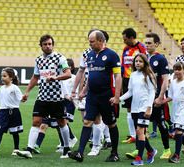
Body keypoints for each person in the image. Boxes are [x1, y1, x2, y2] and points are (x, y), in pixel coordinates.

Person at [68, 30, 122, 162]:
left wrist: (116, 97)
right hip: (92, 96)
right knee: (87, 121)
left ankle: (114, 153)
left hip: (106, 95)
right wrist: (84, 91)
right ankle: (80, 153)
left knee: (111, 124)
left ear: (100, 41)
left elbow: (118, 76)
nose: (90, 44)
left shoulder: (112, 55)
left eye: (92, 41)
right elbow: (91, 76)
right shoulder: (90, 55)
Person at [16, 34, 71, 158]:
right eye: (45, 44)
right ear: (40, 46)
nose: (48, 46)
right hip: (42, 97)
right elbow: (35, 77)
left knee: (62, 122)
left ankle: (66, 149)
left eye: (50, 44)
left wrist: (56, 77)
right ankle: (29, 150)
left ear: (53, 45)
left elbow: (68, 73)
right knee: (36, 121)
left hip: (57, 97)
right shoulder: (38, 60)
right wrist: (27, 92)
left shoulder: (59, 58)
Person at [33, 58, 78, 155]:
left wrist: (74, 97)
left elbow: (73, 89)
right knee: (53, 123)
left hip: (67, 102)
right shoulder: (58, 77)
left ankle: (67, 143)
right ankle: (37, 145)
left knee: (61, 123)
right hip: (54, 101)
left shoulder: (73, 77)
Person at [120, 53, 157, 166]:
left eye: (140, 61)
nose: (138, 63)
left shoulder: (149, 75)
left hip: (144, 108)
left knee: (140, 132)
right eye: (136, 61)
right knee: (139, 133)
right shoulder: (133, 75)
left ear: (145, 63)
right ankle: (151, 151)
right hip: (135, 109)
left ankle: (139, 158)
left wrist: (149, 108)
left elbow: (152, 92)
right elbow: (130, 91)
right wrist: (118, 99)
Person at [141, 32, 171, 159]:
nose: (146, 45)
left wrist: (160, 97)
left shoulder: (161, 59)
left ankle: (167, 150)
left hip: (156, 97)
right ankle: (142, 149)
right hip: (144, 97)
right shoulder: (143, 58)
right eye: (145, 43)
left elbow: (165, 80)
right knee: (141, 124)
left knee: (160, 124)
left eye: (149, 43)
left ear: (157, 44)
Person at [163, 62, 184, 163]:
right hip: (175, 110)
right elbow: (170, 96)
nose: (177, 71)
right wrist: (161, 102)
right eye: (175, 69)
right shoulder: (173, 82)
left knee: (178, 132)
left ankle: (176, 155)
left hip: (183, 111)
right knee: (179, 133)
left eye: (179, 69)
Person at [0, 67, 23, 157]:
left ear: (11, 77)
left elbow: (21, 99)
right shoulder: (1, 89)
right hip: (3, 113)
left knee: (14, 132)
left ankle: (16, 149)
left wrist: (24, 98)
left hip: (14, 112)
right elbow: (1, 102)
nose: (2, 78)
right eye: (1, 76)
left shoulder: (15, 88)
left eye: (4, 76)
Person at [121, 28, 147, 144]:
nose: (124, 41)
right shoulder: (125, 49)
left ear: (131, 38)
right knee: (129, 108)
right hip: (127, 80)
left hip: (140, 81)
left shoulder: (141, 48)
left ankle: (142, 132)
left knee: (141, 107)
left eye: (125, 39)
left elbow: (146, 63)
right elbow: (123, 66)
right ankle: (133, 135)